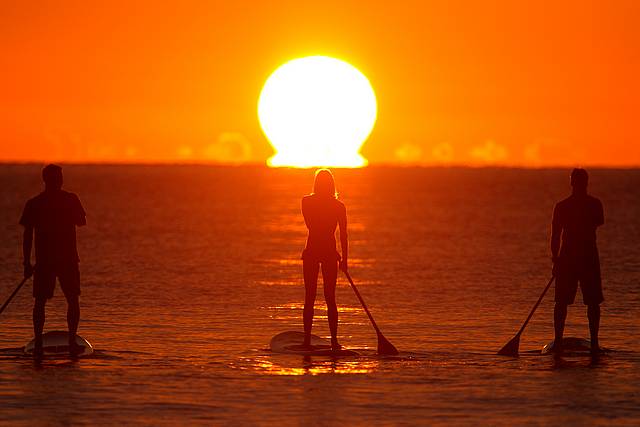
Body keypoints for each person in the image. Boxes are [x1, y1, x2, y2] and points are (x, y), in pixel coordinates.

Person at [20, 164, 87, 358]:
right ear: (47, 180)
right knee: (42, 301)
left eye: (59, 177)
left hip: (65, 260)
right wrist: (26, 263)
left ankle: (70, 339)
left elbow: (81, 221)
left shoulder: (67, 199)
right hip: (46, 262)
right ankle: (39, 341)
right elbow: (28, 235)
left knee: (72, 298)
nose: (59, 181)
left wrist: (27, 263)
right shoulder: (36, 203)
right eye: (56, 178)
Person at [551, 168, 604, 356]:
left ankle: (593, 343)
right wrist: (556, 261)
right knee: (562, 302)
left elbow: (556, 236)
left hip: (583, 258)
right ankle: (561, 341)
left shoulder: (591, 204)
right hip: (572, 259)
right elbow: (555, 235)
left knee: (591, 302)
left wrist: (556, 260)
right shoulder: (565, 206)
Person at [301, 169, 348, 350]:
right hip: (321, 252)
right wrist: (344, 258)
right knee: (323, 297)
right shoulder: (337, 206)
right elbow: (340, 234)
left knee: (318, 297)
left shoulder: (307, 202)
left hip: (317, 251)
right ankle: (331, 341)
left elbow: (341, 233)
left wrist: (344, 259)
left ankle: (329, 341)